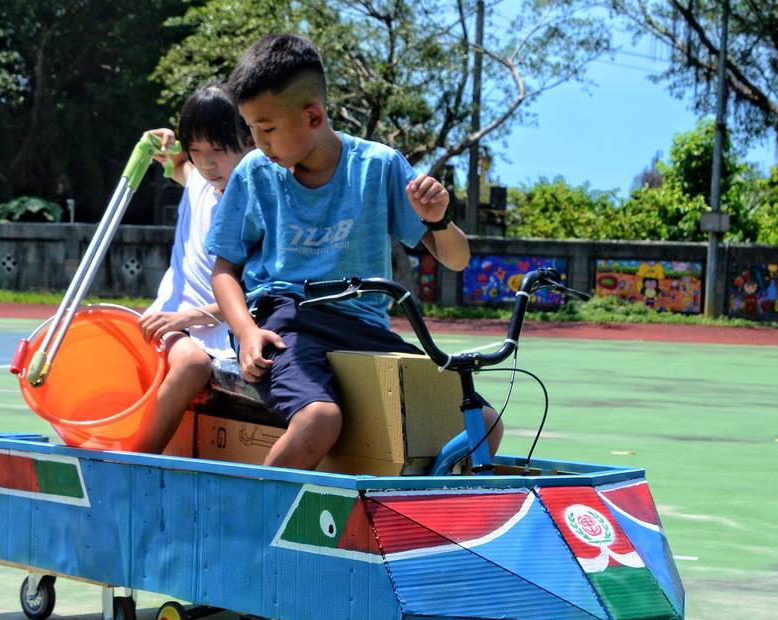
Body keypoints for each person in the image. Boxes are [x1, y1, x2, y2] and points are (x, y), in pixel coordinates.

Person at [206, 34, 503, 471]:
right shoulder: (256, 173)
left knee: (486, 424)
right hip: (283, 317)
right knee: (320, 419)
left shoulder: (379, 166)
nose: (258, 141)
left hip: (363, 326)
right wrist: (247, 332)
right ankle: (259, 525)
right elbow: (224, 269)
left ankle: (423, 515)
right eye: (250, 128)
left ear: (313, 116)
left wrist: (439, 219)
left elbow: (456, 259)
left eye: (266, 128)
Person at [133, 83, 253, 454]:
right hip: (172, 321)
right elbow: (172, 161)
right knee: (192, 363)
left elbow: (247, 298)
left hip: (224, 332)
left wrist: (191, 317)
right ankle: (137, 459)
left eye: (218, 150)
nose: (208, 163)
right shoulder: (200, 181)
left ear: (251, 143)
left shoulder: (258, 207)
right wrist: (159, 142)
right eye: (197, 151)